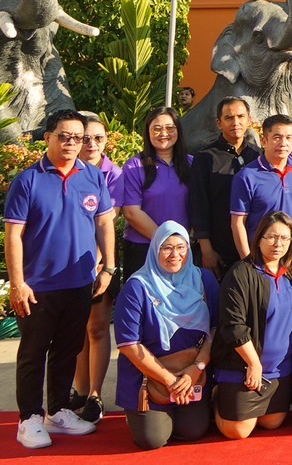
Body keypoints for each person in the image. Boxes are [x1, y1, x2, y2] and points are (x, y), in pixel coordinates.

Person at [6, 111, 116, 449]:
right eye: (64, 136)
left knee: (68, 349)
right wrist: (18, 283)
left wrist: (109, 267)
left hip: (80, 282)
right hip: (37, 287)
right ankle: (29, 418)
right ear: (48, 137)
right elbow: (13, 235)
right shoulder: (28, 180)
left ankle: (57, 411)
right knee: (33, 353)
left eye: (78, 137)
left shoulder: (93, 176)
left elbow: (104, 223)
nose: (72, 143)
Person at [113, 221, 218, 449]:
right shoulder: (137, 288)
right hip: (148, 377)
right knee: (152, 439)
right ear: (155, 250)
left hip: (191, 375)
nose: (175, 255)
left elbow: (215, 329)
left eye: (181, 247)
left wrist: (197, 368)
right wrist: (169, 380)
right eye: (167, 248)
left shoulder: (204, 281)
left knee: (192, 431)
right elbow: (129, 344)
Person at [212, 211, 292, 440]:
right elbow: (233, 325)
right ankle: (218, 398)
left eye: (285, 238)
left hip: (279, 371)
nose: (278, 244)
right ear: (258, 238)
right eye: (271, 237)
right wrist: (253, 363)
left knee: (272, 422)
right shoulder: (240, 273)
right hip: (244, 368)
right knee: (238, 431)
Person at [69, 113, 120, 426]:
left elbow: (106, 222)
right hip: (70, 262)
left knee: (97, 328)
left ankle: (95, 395)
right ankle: (79, 388)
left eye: (98, 138)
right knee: (78, 330)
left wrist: (102, 263)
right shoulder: (66, 170)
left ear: (106, 141)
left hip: (101, 261)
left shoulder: (112, 174)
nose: (91, 144)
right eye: (85, 138)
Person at [190, 97, 261, 277]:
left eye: (240, 116)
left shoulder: (258, 156)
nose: (235, 122)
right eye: (229, 118)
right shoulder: (205, 158)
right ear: (219, 123)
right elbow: (198, 205)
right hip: (219, 249)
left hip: (255, 246)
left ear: (249, 119)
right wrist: (206, 249)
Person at [120, 106, 194, 278]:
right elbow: (131, 212)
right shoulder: (134, 166)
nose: (164, 133)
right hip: (143, 248)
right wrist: (165, 241)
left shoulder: (192, 164)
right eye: (157, 128)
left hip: (181, 251)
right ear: (148, 132)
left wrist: (176, 244)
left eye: (170, 128)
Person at [230, 115, 292, 262]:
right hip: (261, 255)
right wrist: (247, 261)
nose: (283, 143)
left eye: (289, 138)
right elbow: (238, 223)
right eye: (277, 137)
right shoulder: (247, 177)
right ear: (264, 141)